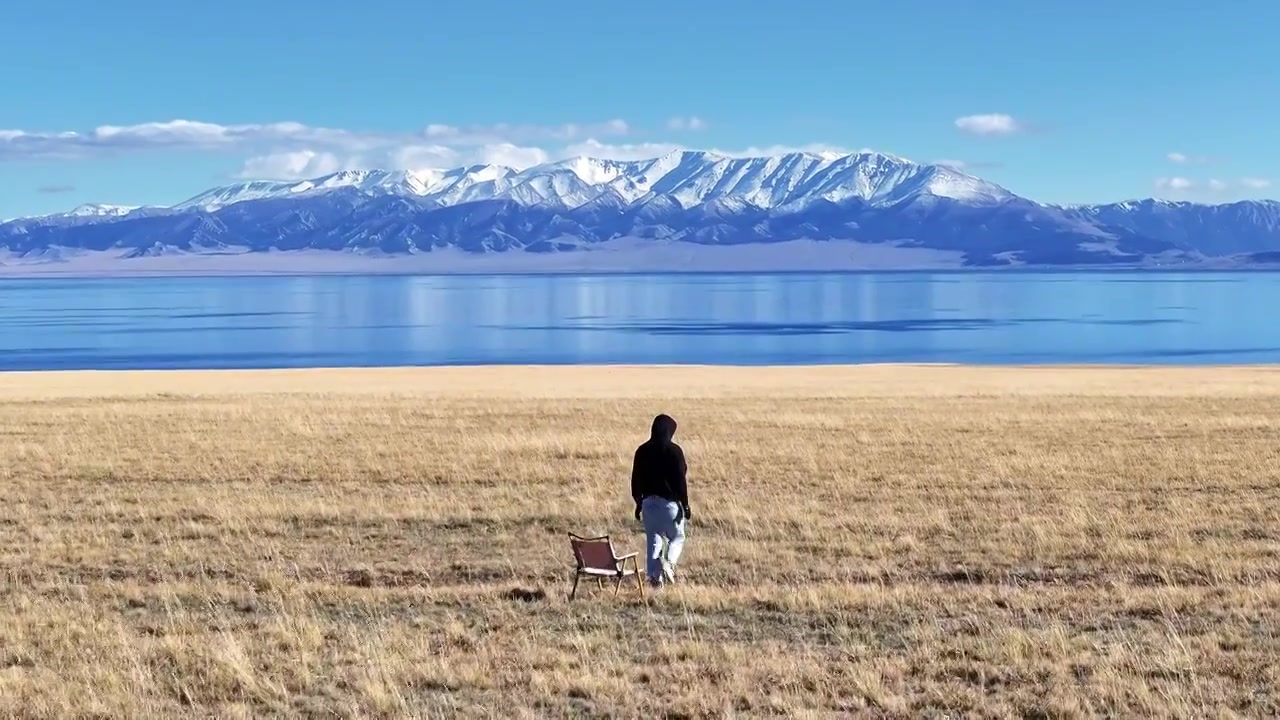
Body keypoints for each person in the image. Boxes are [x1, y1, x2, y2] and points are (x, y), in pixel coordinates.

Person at [630, 413, 690, 587]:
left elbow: (635, 479)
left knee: (654, 539)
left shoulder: (642, 450)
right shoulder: (674, 451)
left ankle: (655, 578)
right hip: (670, 504)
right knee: (677, 537)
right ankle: (669, 564)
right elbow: (681, 480)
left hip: (648, 503)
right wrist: (685, 505)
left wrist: (638, 502)